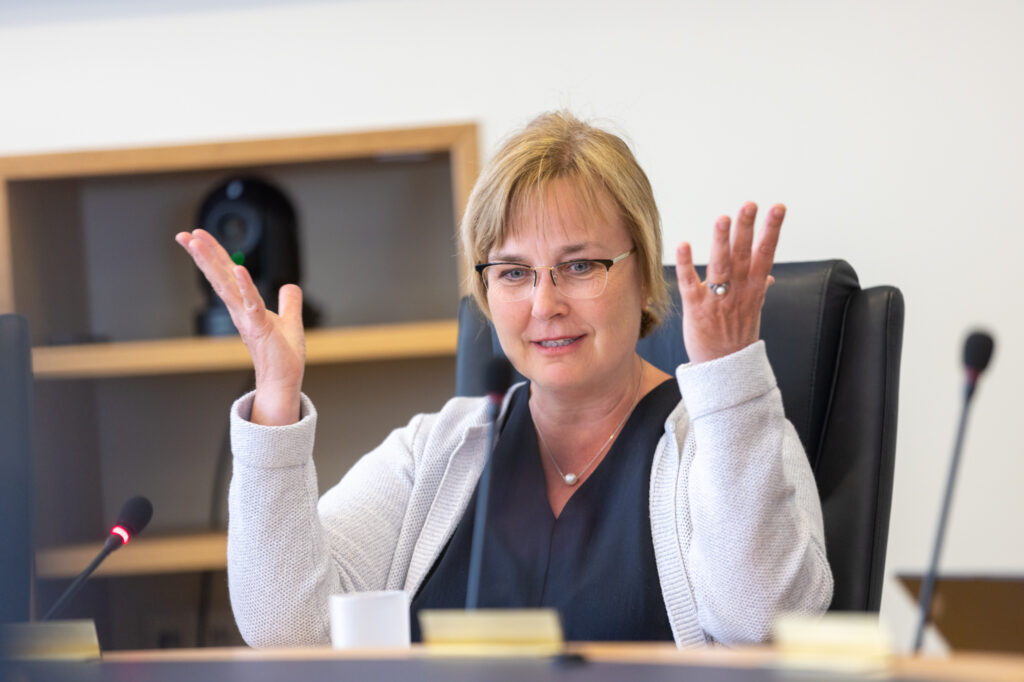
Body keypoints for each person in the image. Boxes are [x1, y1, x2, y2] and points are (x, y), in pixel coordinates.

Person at [175, 111, 832, 648]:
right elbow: (288, 630)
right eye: (514, 272)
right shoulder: (437, 449)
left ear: (640, 270)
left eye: (579, 266)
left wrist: (727, 380)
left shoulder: (722, 438)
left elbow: (762, 627)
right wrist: (276, 399)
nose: (544, 303)